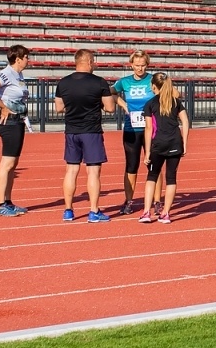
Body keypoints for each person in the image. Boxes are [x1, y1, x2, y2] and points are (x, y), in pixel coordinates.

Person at [53, 49, 116, 222]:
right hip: (91, 131)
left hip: (72, 130)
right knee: (93, 172)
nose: (94, 64)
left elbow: (58, 108)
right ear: (88, 61)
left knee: (71, 170)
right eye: (93, 61)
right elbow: (110, 108)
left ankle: (68, 210)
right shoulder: (99, 82)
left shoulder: (63, 83)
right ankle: (94, 211)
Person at [0, 44, 31, 216]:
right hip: (9, 123)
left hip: (18, 122)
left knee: (13, 164)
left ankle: (8, 201)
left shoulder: (18, 74)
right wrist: (2, 106)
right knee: (7, 163)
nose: (28, 60)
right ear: (18, 59)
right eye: (26, 57)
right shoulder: (7, 73)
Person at [111, 50, 156, 218]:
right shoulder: (125, 82)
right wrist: (123, 105)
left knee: (153, 164)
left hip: (152, 128)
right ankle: (129, 201)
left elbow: (169, 92)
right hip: (132, 128)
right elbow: (110, 92)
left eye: (143, 65)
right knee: (131, 165)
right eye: (137, 65)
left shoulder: (153, 79)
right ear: (131, 65)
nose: (140, 69)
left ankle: (157, 201)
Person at [142, 72, 190, 223]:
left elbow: (149, 128)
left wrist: (147, 152)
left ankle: (146, 212)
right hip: (175, 143)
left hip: (158, 144)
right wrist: (185, 143)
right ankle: (166, 213)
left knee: (151, 177)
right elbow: (186, 121)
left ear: (153, 86)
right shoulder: (176, 102)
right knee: (171, 178)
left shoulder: (150, 103)